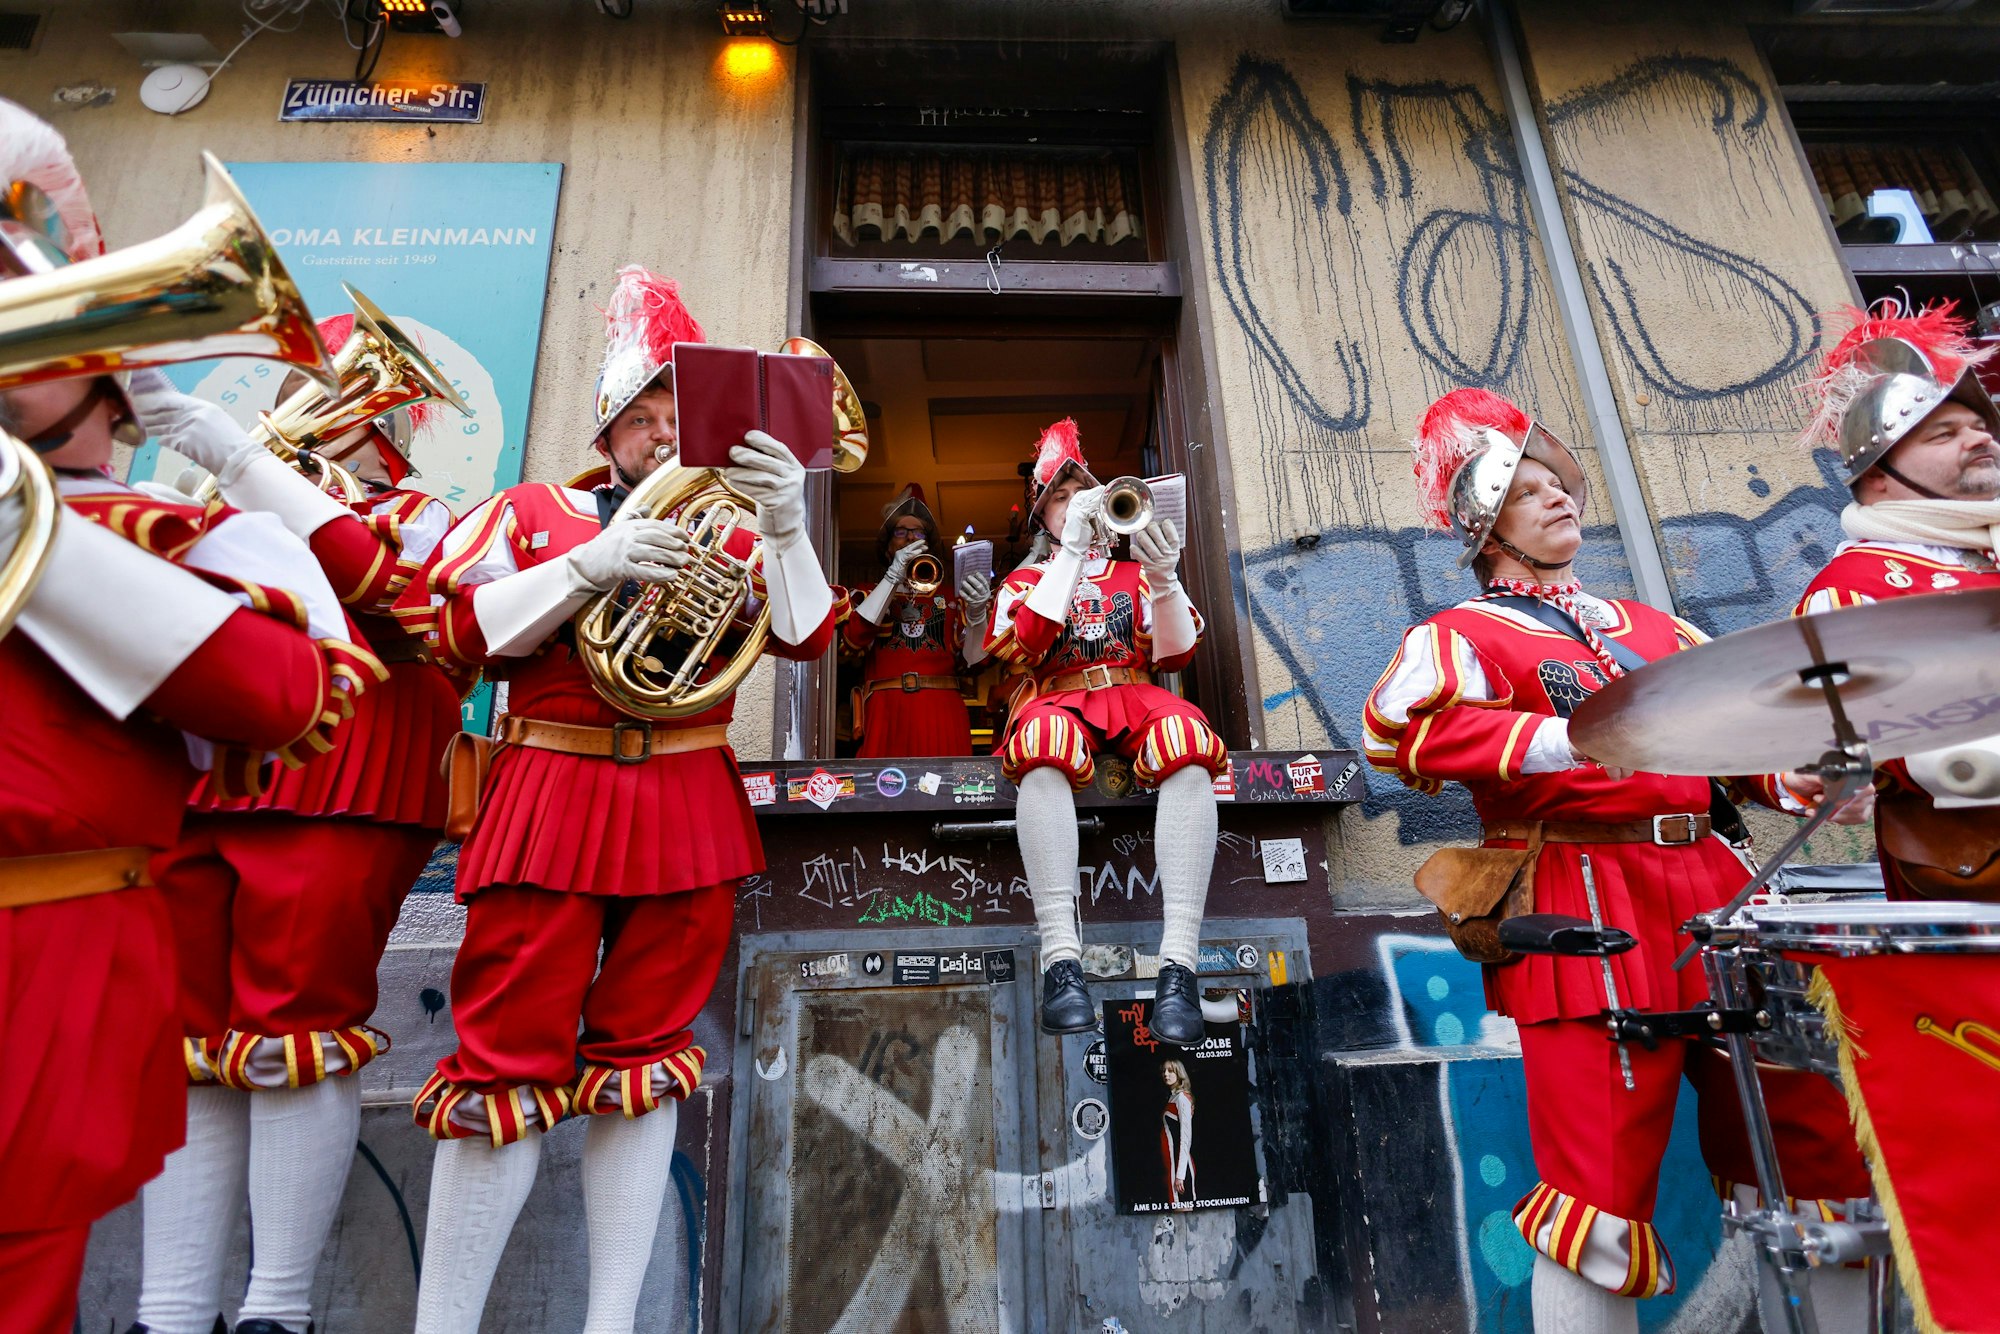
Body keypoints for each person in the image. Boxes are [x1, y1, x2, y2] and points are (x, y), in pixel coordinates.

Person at [1362, 389, 1870, 1334]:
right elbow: (1402, 735)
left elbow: (1731, 736)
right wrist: (1565, 738)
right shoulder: (1463, 635)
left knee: (1816, 1158)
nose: (1561, 499)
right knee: (1594, 1197)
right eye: (1530, 490)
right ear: (1486, 525)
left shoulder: (1650, 626)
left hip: (1718, 892)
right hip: (1585, 902)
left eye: (1563, 484)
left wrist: (1793, 777)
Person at [0, 100, 380, 1334]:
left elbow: (368, 632)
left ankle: (268, 1306)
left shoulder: (164, 523)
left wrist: (220, 454)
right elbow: (299, 665)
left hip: (267, 831)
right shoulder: (130, 521)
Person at [407, 265, 839, 1334]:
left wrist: (786, 526)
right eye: (641, 416)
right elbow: (455, 634)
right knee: (503, 1057)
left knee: (647, 1058)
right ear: (606, 427)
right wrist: (586, 567)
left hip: (684, 788)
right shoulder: (533, 511)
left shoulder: (732, 526)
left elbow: (811, 635)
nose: (660, 434)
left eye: (677, 417)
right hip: (551, 784)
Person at [126, 312, 465, 1334]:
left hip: (345, 765)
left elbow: (399, 601)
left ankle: (277, 1308)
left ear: (391, 420)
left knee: (299, 1019)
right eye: (303, 383)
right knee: (188, 1027)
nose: (307, 402)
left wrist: (245, 466)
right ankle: (172, 1307)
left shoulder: (423, 515)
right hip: (202, 764)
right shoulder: (222, 500)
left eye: (337, 387)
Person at [985, 418, 1227, 1045]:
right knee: (1040, 748)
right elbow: (1027, 646)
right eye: (1062, 498)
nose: (1079, 505)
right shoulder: (1024, 582)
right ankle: (1061, 962)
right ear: (1044, 515)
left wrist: (1166, 577)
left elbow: (1175, 656)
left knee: (1188, 741)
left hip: (1131, 691)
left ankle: (1180, 966)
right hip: (1058, 698)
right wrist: (1069, 554)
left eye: (1083, 492)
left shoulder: (1132, 573)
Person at [1792, 298, 2000, 899]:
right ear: (1879, 476)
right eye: (1945, 432)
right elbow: (1880, 740)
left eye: (1981, 427)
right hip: (1979, 871)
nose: (1979, 439)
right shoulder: (1856, 585)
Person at [841, 486, 989, 757]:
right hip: (886, 713)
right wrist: (893, 577)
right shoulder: (867, 593)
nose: (910, 537)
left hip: (941, 711)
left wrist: (979, 614)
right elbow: (853, 638)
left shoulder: (951, 596)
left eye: (918, 532)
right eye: (900, 531)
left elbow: (974, 662)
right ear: (887, 548)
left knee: (945, 794)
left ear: (928, 545)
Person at [1159, 1060, 1195, 1209]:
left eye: (1170, 1070)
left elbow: (1185, 1137)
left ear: (1179, 1073)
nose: (1166, 1074)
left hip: (1180, 1167)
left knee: (1183, 1214)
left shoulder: (1182, 1099)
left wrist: (1180, 1174)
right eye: (1164, 1071)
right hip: (1171, 1165)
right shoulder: (1173, 1097)